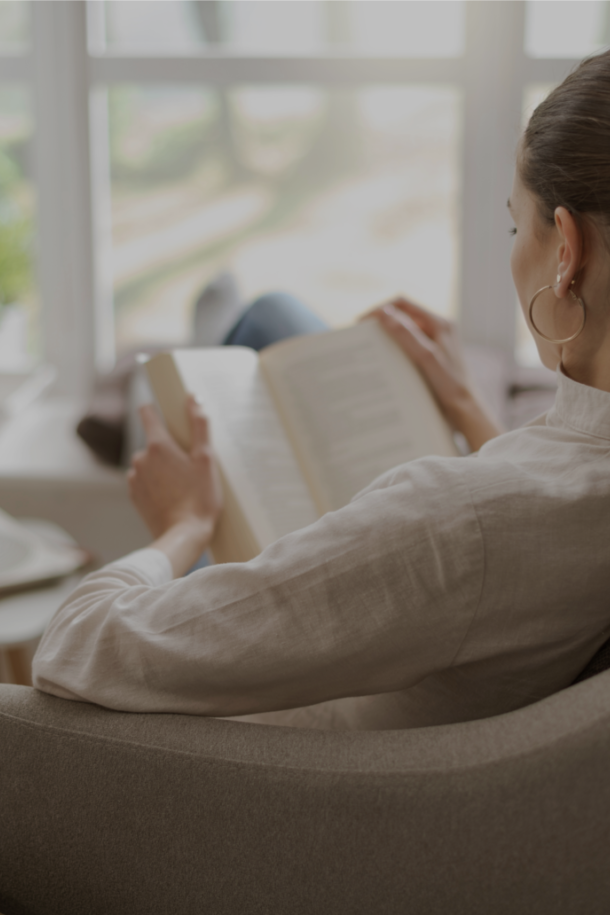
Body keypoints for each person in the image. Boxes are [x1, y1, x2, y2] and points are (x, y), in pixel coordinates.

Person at [32, 50, 610, 729]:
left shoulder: (452, 523)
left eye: (517, 225)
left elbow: (75, 646)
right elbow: (539, 519)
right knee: (279, 320)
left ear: (566, 253)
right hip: (431, 604)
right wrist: (465, 405)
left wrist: (181, 526)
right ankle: (227, 336)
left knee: (260, 329)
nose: (515, 248)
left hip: (297, 753)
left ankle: (183, 369)